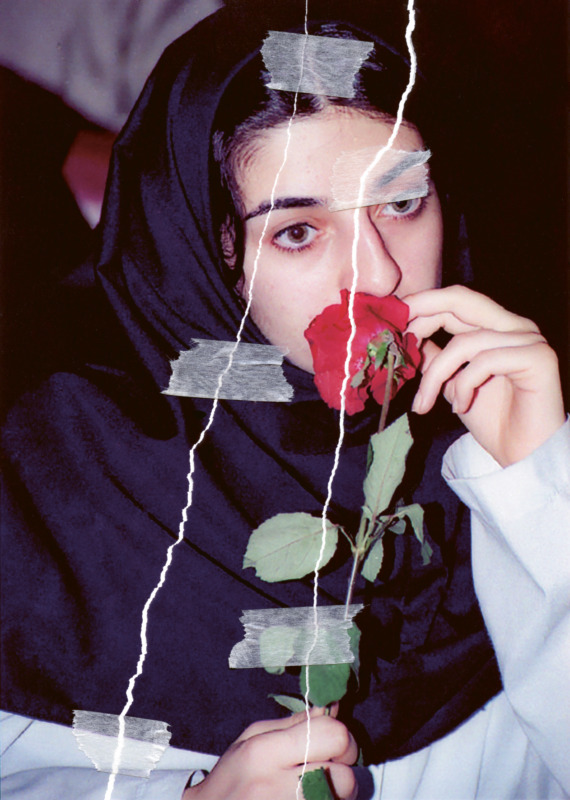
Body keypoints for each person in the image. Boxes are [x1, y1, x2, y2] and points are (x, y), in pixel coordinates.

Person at [1, 4, 568, 799]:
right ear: (200, 253)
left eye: (403, 203)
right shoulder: (52, 481)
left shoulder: (503, 437)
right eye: (298, 231)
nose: (377, 275)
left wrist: (541, 487)